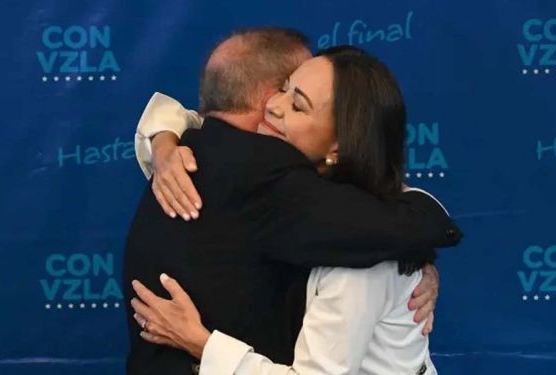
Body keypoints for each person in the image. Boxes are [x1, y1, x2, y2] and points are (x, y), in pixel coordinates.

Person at [123, 28, 461, 375]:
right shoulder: (261, 173)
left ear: (338, 145)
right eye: (284, 89)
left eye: (297, 103)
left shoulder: (355, 243)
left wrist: (202, 344)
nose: (275, 106)